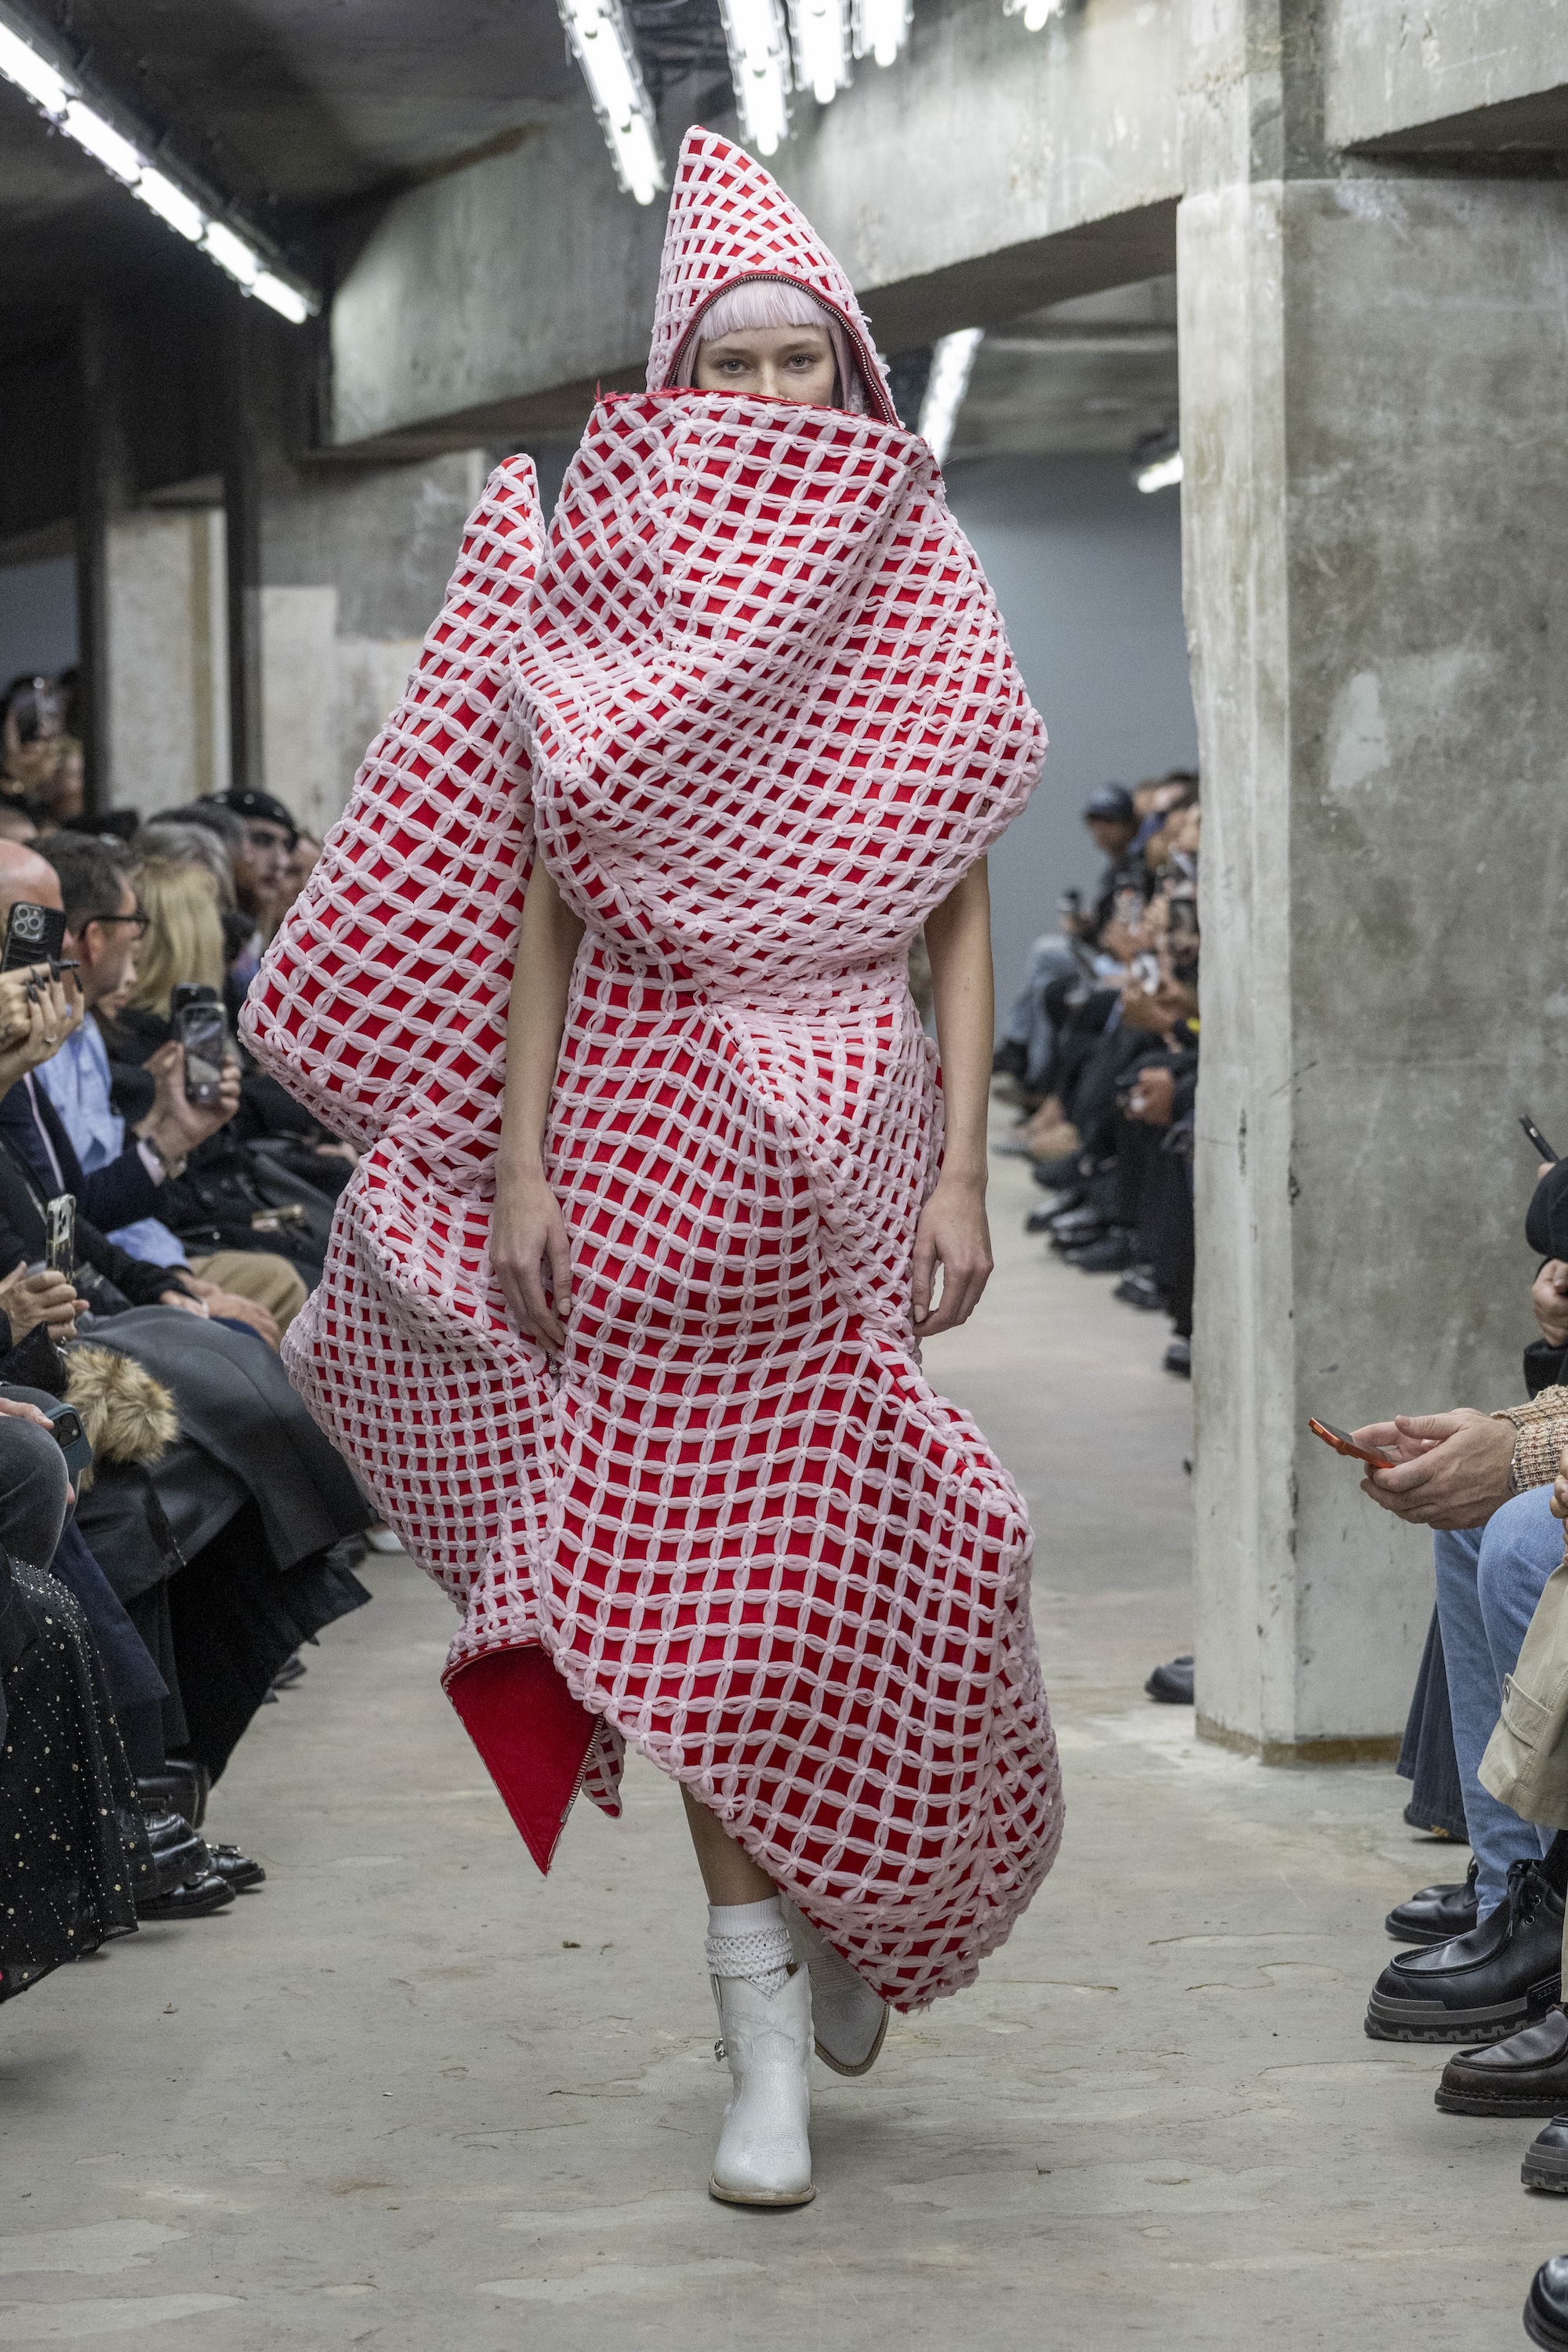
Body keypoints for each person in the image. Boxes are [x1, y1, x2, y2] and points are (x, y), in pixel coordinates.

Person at [246, 127, 1065, 2209]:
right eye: (734, 358)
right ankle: (759, 2042)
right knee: (689, 1595)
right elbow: (542, 899)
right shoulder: (601, 568)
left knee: (880, 1553)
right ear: (676, 375)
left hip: (848, 1143)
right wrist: (520, 1162)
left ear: (853, 373)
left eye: (804, 359)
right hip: (633, 1127)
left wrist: (965, 1167)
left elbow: (961, 906)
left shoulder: (916, 574)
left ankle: (857, 1879)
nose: (770, 393)